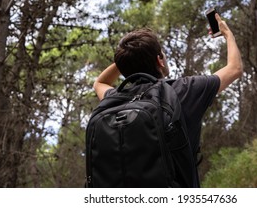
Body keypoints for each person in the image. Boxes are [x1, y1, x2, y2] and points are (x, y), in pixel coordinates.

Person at [93, 13, 243, 185]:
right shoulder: (184, 90)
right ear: (160, 61)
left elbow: (100, 82)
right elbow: (235, 68)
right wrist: (227, 34)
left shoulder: (115, 99)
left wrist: (128, 58)